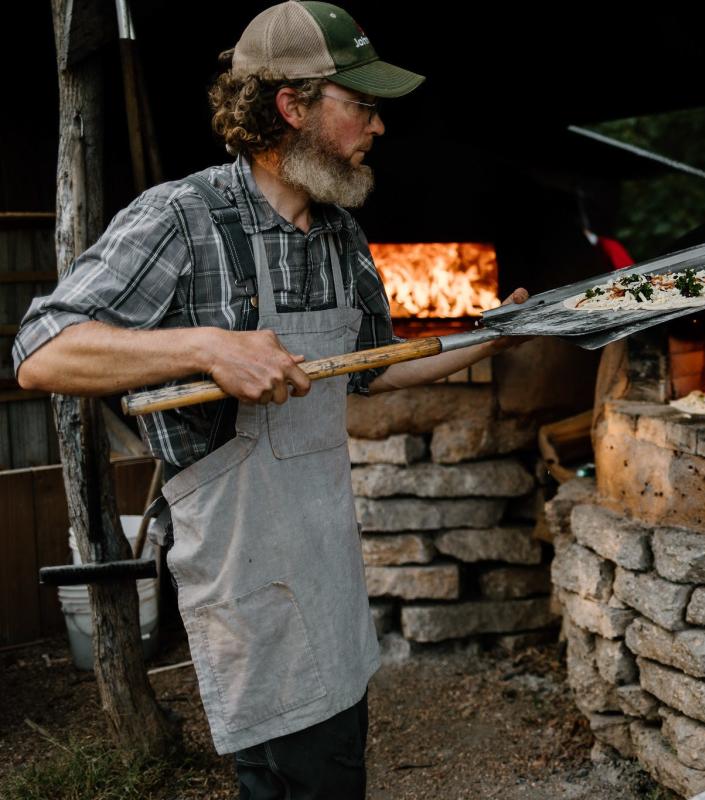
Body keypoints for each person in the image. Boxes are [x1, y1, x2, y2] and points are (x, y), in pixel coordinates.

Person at [13, 3, 526, 797]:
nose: (377, 127)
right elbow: (41, 351)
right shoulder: (183, 218)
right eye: (360, 105)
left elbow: (370, 369)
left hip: (327, 557)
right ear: (292, 106)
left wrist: (490, 338)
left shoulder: (340, 234)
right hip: (246, 565)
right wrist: (206, 345)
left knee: (331, 761)